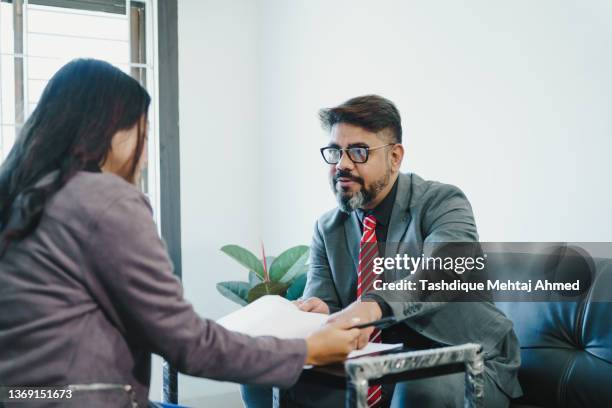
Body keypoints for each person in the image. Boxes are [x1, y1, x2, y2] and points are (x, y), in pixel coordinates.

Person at [0, 59, 362, 408]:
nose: (144, 157)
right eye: (144, 132)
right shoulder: (105, 200)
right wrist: (309, 347)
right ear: (110, 132)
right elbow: (186, 342)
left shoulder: (21, 195)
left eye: (359, 151)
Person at [243, 95, 523, 407]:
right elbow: (328, 307)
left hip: (464, 362)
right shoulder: (328, 228)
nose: (343, 165)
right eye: (335, 152)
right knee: (265, 378)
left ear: (395, 157)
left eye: (359, 152)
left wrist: (373, 306)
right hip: (374, 366)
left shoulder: (443, 203)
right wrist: (321, 312)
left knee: (418, 390)